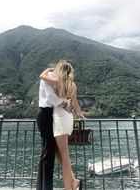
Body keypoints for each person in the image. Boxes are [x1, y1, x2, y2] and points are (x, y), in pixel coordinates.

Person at [39, 60, 85, 190]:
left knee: (64, 156)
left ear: (61, 70)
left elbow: (42, 77)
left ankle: (69, 187)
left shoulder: (58, 82)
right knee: (59, 152)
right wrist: (79, 113)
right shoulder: (72, 84)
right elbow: (74, 101)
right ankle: (73, 180)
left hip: (59, 118)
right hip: (67, 118)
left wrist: (48, 70)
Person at [36, 63, 69, 190]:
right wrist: (64, 104)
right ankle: (46, 187)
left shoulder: (52, 76)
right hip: (45, 115)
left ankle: (42, 187)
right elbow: (50, 96)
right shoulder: (50, 76)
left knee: (46, 153)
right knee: (48, 154)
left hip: (48, 115)